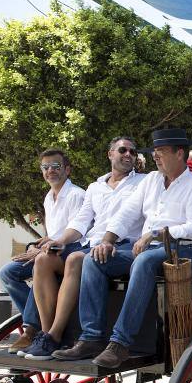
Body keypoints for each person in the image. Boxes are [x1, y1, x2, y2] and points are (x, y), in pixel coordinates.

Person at [53, 128, 192, 368]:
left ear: (179, 154)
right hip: (149, 248)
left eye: (160, 151)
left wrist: (156, 233)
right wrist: (106, 240)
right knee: (93, 259)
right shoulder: (151, 180)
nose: (155, 156)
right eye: (155, 152)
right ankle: (91, 338)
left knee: (144, 261)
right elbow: (127, 212)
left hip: (182, 249)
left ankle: (120, 343)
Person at [19, 137, 147, 360]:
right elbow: (80, 221)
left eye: (133, 152)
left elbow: (135, 216)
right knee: (43, 260)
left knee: (76, 258)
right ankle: (46, 336)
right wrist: (61, 240)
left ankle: (59, 333)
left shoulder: (143, 182)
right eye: (123, 150)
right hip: (92, 243)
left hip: (122, 245)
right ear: (110, 154)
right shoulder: (95, 187)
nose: (128, 155)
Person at [0, 148, 85, 352]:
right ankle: (35, 321)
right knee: (7, 273)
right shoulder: (48, 197)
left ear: (67, 169)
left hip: (71, 249)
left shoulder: (76, 195)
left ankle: (31, 329)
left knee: (40, 263)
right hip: (51, 249)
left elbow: (78, 232)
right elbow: (54, 232)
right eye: (45, 167)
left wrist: (46, 248)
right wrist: (40, 244)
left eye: (55, 166)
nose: (50, 171)